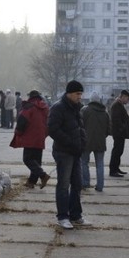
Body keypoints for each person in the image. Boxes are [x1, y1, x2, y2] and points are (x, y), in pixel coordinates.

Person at [48, 80, 90, 229]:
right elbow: (53, 129)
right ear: (69, 93)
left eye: (81, 94)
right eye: (77, 94)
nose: (80, 97)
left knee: (77, 184)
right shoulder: (58, 108)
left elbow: (80, 128)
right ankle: (63, 216)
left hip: (76, 152)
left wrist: (82, 143)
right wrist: (70, 143)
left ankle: (76, 215)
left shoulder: (77, 108)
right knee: (63, 185)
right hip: (63, 152)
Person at [9, 90, 50, 189]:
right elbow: (49, 122)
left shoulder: (29, 107)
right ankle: (31, 182)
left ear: (30, 97)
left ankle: (43, 175)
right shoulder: (45, 107)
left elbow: (22, 120)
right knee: (36, 160)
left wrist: (18, 132)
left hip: (30, 137)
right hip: (40, 137)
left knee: (27, 159)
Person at [81, 92, 110, 192]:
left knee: (84, 162)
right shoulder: (105, 112)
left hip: (86, 142)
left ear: (90, 100)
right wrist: (102, 136)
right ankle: (100, 186)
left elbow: (80, 126)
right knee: (100, 164)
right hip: (100, 142)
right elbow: (109, 130)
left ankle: (85, 183)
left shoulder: (85, 110)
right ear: (99, 101)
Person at [109, 90, 129, 177]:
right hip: (118, 132)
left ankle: (116, 168)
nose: (127, 101)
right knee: (117, 151)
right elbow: (116, 120)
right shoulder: (116, 105)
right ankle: (113, 170)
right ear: (122, 96)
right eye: (127, 99)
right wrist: (123, 128)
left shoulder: (119, 104)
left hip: (120, 132)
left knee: (119, 151)